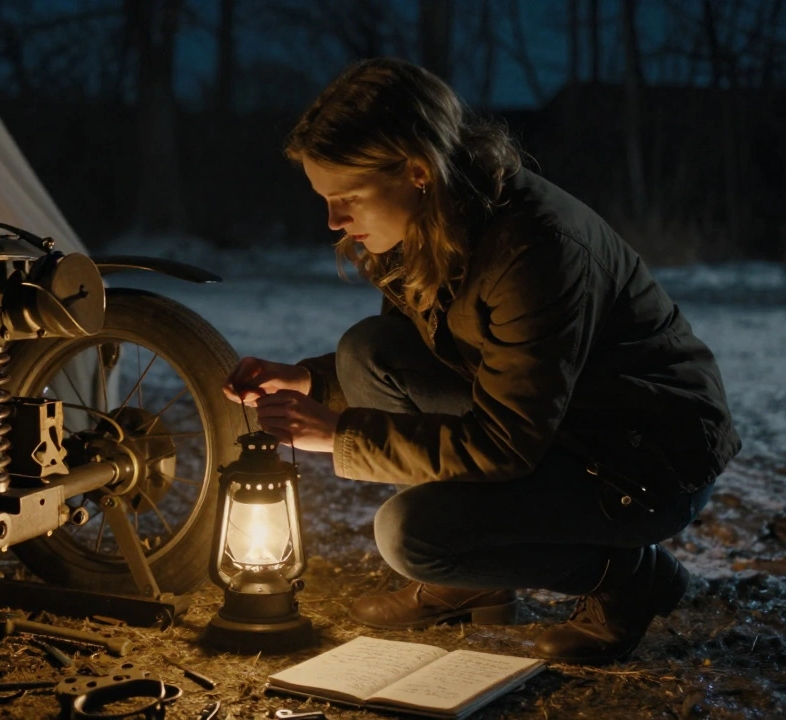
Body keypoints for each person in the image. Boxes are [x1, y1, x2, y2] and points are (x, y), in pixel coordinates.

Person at [222, 57, 740, 665]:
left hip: (640, 461)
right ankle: (476, 577)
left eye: (347, 198)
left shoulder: (533, 250)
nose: (333, 220)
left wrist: (340, 436)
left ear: (417, 170)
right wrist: (309, 380)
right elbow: (416, 358)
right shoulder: (425, 223)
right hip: (561, 424)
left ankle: (628, 576)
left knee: (410, 535)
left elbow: (506, 442)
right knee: (367, 353)